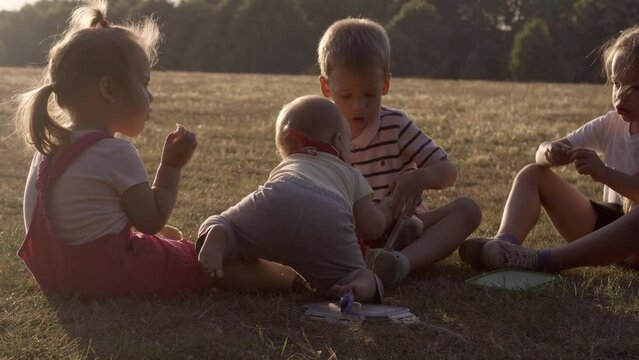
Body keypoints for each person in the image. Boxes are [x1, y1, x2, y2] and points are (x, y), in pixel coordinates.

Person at [15, 0, 298, 299]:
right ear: (108, 89)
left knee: (171, 241)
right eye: (144, 83)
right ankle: (287, 280)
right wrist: (171, 166)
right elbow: (151, 221)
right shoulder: (114, 152)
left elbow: (82, 218)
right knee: (198, 259)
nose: (151, 96)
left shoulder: (49, 147)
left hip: (60, 277)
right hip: (109, 275)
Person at [317, 18, 482, 289]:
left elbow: (448, 171)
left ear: (385, 84)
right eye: (346, 95)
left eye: (370, 93)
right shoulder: (320, 131)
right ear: (326, 87)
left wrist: (421, 178)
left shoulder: (395, 124)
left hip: (407, 229)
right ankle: (362, 263)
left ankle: (399, 263)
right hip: (350, 234)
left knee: (468, 210)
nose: (359, 106)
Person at [459, 26, 639, 273]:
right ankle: (503, 246)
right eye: (616, 84)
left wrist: (603, 172)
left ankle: (542, 261)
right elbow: (542, 152)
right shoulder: (611, 123)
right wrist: (550, 152)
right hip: (609, 227)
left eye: (634, 88)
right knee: (533, 173)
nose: (621, 96)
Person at [197, 95, 386, 302]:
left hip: (278, 195)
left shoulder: (290, 164)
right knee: (363, 274)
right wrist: (387, 210)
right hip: (328, 213)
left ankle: (220, 235)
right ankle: (357, 287)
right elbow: (372, 227)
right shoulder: (349, 172)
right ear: (339, 141)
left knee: (222, 222)